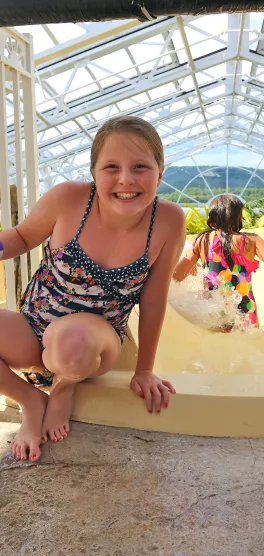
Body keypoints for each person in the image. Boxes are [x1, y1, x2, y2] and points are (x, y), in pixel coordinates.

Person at [6, 116, 185, 463]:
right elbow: (22, 237)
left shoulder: (168, 221)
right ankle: (31, 400)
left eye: (140, 167)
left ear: (160, 174)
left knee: (71, 340)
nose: (126, 179)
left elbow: (154, 297)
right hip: (33, 327)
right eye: (111, 167)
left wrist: (144, 369)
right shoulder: (68, 200)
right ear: (94, 173)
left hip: (92, 344)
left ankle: (64, 386)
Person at [173, 193, 264, 329]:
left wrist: (187, 263)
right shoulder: (251, 240)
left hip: (213, 314)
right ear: (240, 217)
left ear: (212, 218)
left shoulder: (202, 241)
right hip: (245, 315)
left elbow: (176, 276)